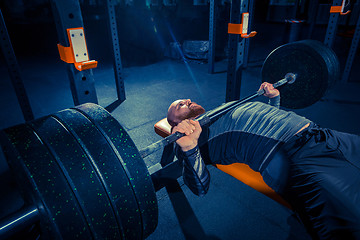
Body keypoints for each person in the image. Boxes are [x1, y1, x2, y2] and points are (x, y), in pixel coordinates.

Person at [167, 82, 360, 240]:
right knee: (348, 224)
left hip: (323, 135)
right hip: (298, 159)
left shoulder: (219, 110)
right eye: (180, 105)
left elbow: (265, 122)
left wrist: (274, 99)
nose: (188, 100)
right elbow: (199, 188)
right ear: (175, 123)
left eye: (185, 99)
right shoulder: (190, 139)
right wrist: (189, 147)